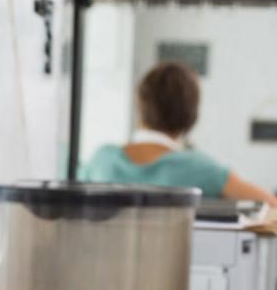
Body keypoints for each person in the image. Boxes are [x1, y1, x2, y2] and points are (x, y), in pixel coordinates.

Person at [80, 62, 277, 206]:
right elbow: (271, 205)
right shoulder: (200, 168)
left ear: (140, 105)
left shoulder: (101, 159)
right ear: (191, 116)